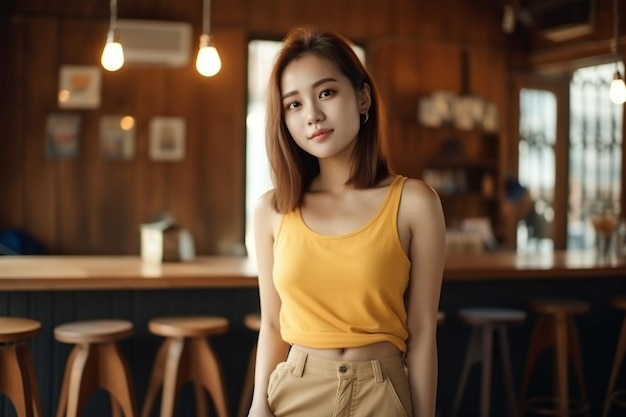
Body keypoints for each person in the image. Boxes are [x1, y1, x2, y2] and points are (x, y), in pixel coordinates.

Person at [249, 25, 446, 417]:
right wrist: (258, 405)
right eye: (294, 104)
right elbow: (272, 326)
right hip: (295, 392)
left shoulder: (415, 203)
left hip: (382, 393)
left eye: (326, 92)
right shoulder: (272, 210)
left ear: (362, 97)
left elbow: (423, 331)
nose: (313, 115)